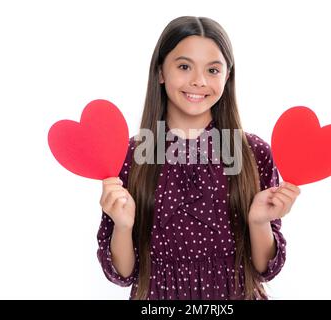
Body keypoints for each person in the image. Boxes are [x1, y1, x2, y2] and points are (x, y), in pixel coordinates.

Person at [97, 16, 300, 300]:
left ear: (227, 76)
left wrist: (258, 222)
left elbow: (265, 268)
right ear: (160, 72)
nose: (199, 81)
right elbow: (123, 273)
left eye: (213, 70)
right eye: (184, 66)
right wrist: (123, 225)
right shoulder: (129, 156)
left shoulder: (254, 153)